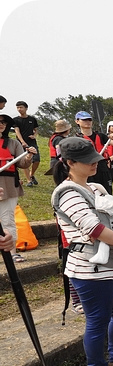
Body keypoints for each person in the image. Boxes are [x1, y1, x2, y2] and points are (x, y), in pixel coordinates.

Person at [51, 137, 113, 366]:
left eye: (95, 158)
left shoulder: (95, 188)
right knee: (98, 321)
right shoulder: (68, 193)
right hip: (89, 268)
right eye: (88, 160)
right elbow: (94, 228)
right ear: (70, 163)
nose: (95, 163)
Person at [0, 114, 37, 262]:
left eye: (3, 122)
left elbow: (22, 163)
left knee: (7, 219)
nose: (1, 124)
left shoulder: (13, 143)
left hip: (9, 186)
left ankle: (12, 252)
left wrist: (28, 157)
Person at [74, 111, 113, 194]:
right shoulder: (77, 139)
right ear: (77, 121)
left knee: (106, 192)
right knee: (90, 192)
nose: (87, 122)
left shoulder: (101, 136)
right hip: (88, 168)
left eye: (89, 120)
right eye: (84, 120)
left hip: (102, 167)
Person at [12, 101, 40, 187]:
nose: (19, 109)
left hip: (32, 142)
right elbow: (17, 131)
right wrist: (22, 142)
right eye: (18, 107)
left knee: (37, 160)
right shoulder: (16, 120)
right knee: (25, 162)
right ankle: (28, 180)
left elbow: (36, 129)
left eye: (21, 107)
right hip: (21, 144)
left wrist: (34, 135)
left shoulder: (32, 119)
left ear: (26, 108)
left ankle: (31, 175)